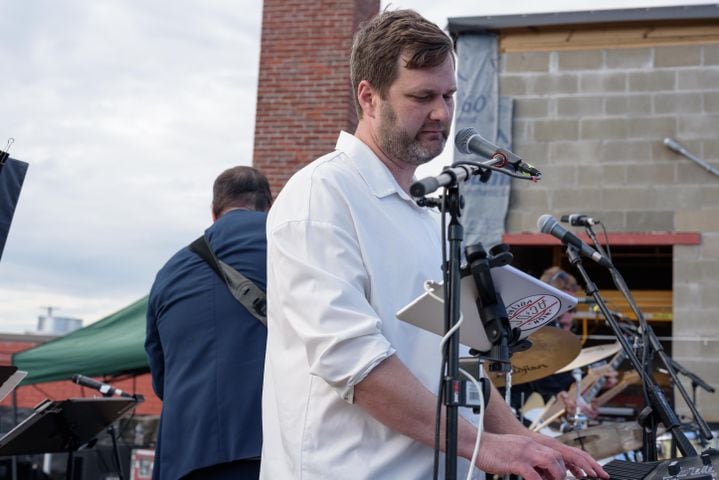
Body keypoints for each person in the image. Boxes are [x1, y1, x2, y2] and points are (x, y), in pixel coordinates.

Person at [260, 9, 607, 480]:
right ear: (369, 97)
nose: (442, 113)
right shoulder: (321, 194)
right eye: (422, 96)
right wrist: (485, 447)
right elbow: (354, 365)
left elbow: (462, 364)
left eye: (448, 95)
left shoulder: (428, 214)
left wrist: (531, 442)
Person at [145, 166, 272, 480]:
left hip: (184, 455)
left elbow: (162, 379)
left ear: (214, 212)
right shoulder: (294, 245)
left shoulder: (169, 272)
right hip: (268, 450)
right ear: (269, 206)